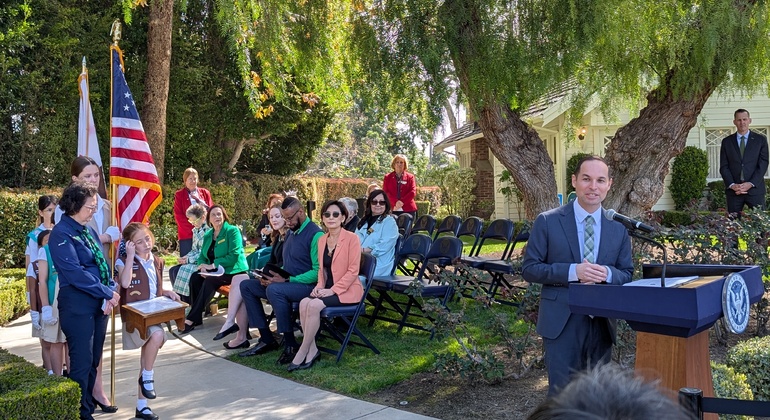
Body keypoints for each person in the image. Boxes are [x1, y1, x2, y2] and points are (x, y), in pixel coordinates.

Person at [521, 155, 633, 396]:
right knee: (563, 396)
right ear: (574, 181)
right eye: (586, 179)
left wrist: (607, 274)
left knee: (597, 395)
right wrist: (573, 271)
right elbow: (530, 268)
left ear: (609, 184)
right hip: (562, 321)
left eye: (600, 180)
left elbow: (626, 273)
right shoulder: (548, 222)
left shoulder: (618, 228)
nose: (593, 187)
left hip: (601, 322)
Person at [49, 181, 120, 420]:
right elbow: (74, 273)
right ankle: (80, 413)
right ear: (75, 205)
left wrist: (110, 287)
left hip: (97, 304)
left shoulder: (88, 230)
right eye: (90, 207)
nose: (93, 211)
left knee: (93, 361)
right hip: (77, 306)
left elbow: (102, 263)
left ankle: (87, 405)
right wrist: (107, 293)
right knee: (81, 362)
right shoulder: (60, 233)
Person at [238, 196, 324, 365]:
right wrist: (269, 278)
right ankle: (266, 338)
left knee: (275, 290)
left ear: (301, 212)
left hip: (307, 286)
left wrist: (286, 281)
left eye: (290, 218)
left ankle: (291, 345)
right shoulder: (291, 232)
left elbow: (317, 272)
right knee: (247, 285)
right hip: (287, 283)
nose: (288, 222)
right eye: (285, 218)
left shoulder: (316, 234)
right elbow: (288, 264)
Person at [116, 223, 181, 420]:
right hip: (135, 317)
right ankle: (148, 376)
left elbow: (155, 290)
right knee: (157, 336)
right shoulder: (122, 262)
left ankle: (142, 405)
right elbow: (126, 283)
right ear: (130, 245)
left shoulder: (157, 261)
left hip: (152, 315)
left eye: (147, 238)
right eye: (139, 242)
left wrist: (167, 292)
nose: (146, 244)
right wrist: (128, 258)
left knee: (146, 359)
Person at [288, 200, 362, 371]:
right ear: (322, 218)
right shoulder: (322, 240)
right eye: (327, 214)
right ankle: (312, 350)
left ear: (343, 217)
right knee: (304, 303)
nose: (331, 217)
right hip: (327, 288)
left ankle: (303, 350)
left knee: (313, 305)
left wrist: (332, 290)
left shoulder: (352, 239)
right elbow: (322, 270)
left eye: (336, 214)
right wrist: (320, 286)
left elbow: (353, 271)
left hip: (347, 291)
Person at [222, 204, 289, 350]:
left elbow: (290, 265)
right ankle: (243, 331)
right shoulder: (277, 238)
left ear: (286, 216)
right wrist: (262, 273)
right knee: (240, 281)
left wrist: (270, 275)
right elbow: (272, 262)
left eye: (277, 216)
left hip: (284, 282)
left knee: (243, 285)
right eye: (271, 217)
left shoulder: (291, 236)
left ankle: (239, 332)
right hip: (272, 279)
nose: (274, 220)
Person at [526, 364, 695, 420]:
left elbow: (622, 279)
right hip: (560, 324)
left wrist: (610, 278)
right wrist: (574, 278)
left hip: (601, 324)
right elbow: (532, 278)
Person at [179, 204, 249, 333]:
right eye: (213, 215)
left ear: (224, 216)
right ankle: (197, 317)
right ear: (209, 219)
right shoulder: (209, 234)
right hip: (216, 271)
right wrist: (202, 267)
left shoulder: (232, 231)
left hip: (233, 271)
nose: (217, 217)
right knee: (195, 277)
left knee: (210, 281)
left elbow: (233, 256)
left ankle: (192, 318)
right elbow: (202, 256)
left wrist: (212, 266)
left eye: (219, 214)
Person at [25, 195, 57, 370]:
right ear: (40, 212)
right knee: (45, 334)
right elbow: (30, 265)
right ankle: (49, 368)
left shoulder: (60, 229)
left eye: (54, 209)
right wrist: (30, 295)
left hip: (58, 285)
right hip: (41, 284)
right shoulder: (34, 236)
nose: (52, 214)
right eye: (49, 210)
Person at [719, 109, 769, 214]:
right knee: (732, 225)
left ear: (750, 120)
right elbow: (724, 166)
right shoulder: (727, 142)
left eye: (745, 119)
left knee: (760, 225)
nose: (742, 122)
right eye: (739, 120)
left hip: (755, 190)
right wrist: (732, 185)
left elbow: (763, 163)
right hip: (734, 192)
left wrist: (751, 183)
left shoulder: (760, 140)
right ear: (734, 122)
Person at [37, 230, 68, 379]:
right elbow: (42, 280)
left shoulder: (70, 246)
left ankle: (73, 378)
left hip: (71, 300)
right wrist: (46, 306)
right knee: (56, 341)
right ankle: (57, 378)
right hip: (53, 302)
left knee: (70, 342)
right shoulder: (45, 251)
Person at [170, 204, 209, 304]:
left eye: (194, 221)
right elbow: (194, 250)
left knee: (184, 271)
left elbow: (204, 252)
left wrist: (188, 260)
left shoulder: (208, 231)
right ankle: (181, 300)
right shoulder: (196, 230)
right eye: (190, 221)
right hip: (195, 260)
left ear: (203, 217)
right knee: (172, 270)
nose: (192, 223)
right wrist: (186, 257)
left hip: (205, 262)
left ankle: (189, 303)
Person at [356, 189, 399, 277]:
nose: (378, 205)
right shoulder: (364, 221)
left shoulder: (389, 222)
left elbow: (385, 245)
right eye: (374, 202)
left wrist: (364, 250)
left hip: (378, 264)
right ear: (369, 204)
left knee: (349, 278)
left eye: (382, 202)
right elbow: (354, 240)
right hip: (359, 260)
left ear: (386, 204)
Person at [173, 167, 213, 257]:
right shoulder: (179, 195)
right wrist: (195, 226)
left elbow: (211, 211)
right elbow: (179, 216)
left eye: (194, 178)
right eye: (190, 179)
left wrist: (204, 227)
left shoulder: (205, 193)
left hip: (206, 233)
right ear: (185, 180)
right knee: (188, 260)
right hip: (187, 234)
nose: (192, 181)